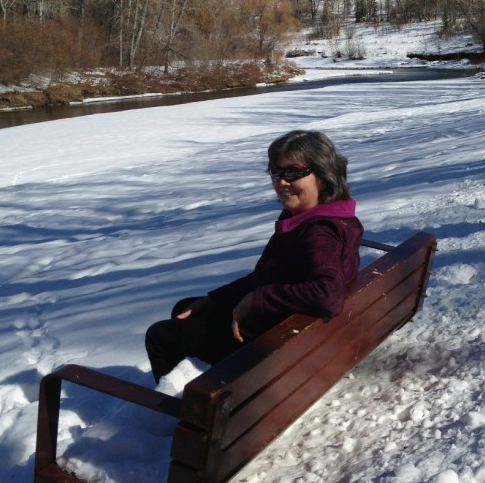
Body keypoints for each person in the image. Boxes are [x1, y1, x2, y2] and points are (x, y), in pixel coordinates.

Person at [145, 130, 364, 384]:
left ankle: (191, 412)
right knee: (186, 308)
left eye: (293, 173)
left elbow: (327, 296)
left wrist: (256, 299)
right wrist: (214, 300)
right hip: (288, 332)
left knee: (160, 336)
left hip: (270, 347)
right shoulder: (321, 219)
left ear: (324, 177)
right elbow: (269, 276)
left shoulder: (318, 232)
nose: (282, 182)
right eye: (276, 173)